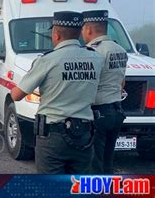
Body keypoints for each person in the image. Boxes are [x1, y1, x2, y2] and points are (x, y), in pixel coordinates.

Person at [10, 11, 104, 174]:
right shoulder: (96, 58)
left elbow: (17, 95)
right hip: (84, 135)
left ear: (56, 34)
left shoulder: (47, 60)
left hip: (53, 137)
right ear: (79, 32)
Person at [81, 10, 128, 174]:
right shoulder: (120, 49)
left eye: (82, 29)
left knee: (95, 162)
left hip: (98, 112)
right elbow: (122, 81)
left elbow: (87, 83)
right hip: (117, 110)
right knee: (108, 160)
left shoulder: (92, 52)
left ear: (88, 30)